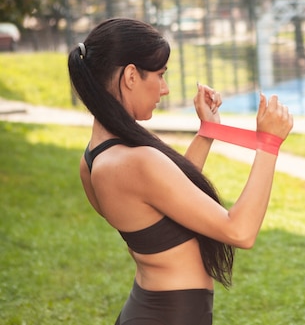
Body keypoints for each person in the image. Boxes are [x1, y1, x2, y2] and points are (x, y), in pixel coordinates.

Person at [67, 17, 293, 325]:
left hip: (149, 310)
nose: (165, 89)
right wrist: (269, 144)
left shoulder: (93, 160)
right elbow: (239, 231)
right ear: (131, 75)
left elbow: (165, 200)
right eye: (160, 76)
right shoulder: (136, 160)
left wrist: (207, 132)